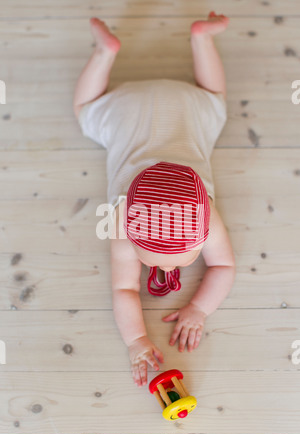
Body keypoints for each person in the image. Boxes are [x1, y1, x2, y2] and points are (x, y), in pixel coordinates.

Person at [74, 12, 236, 387]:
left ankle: (108, 51)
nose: (160, 269)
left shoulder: (129, 221)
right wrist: (137, 338)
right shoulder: (129, 222)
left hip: (155, 105)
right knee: (85, 112)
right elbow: (222, 267)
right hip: (152, 106)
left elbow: (125, 287)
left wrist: (197, 309)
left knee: (214, 101)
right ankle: (198, 39)